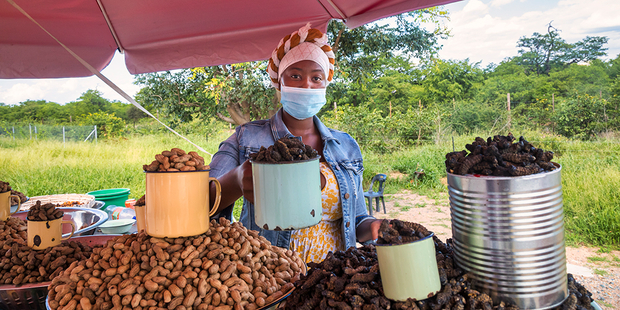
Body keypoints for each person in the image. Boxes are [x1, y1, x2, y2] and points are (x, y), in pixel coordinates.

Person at [208, 23, 382, 263]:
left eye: (316, 78)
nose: (306, 85)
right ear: (279, 83)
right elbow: (201, 202)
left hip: (334, 282)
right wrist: (236, 180)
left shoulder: (346, 145)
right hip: (270, 278)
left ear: (325, 85)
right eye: (296, 76)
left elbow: (358, 219)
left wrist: (376, 227)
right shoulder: (245, 138)